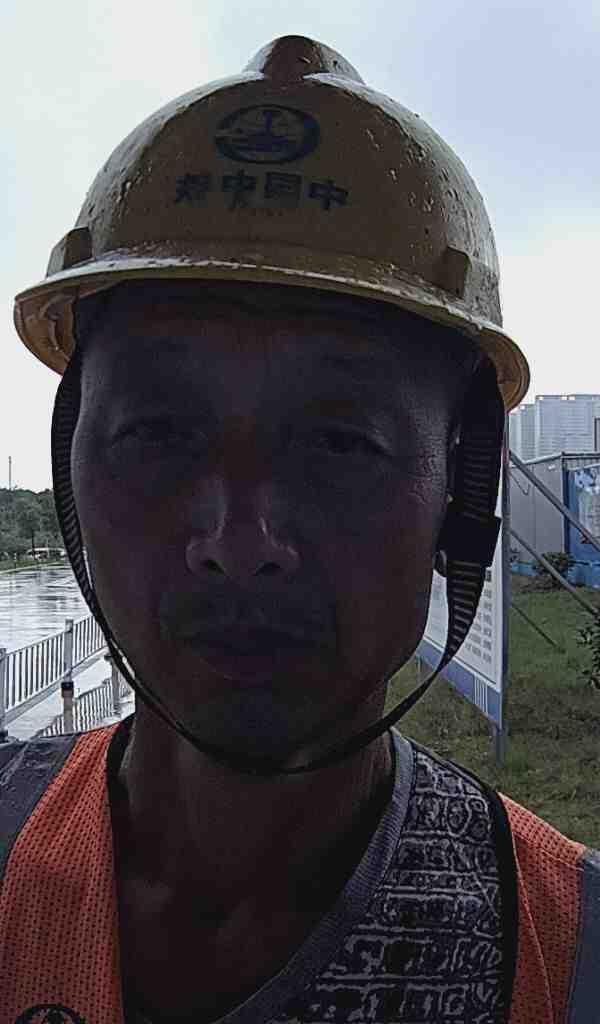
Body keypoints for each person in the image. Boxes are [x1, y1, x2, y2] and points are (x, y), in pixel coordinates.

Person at [1, 35, 598, 1024]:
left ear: (460, 492)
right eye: (158, 432)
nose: (240, 539)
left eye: (339, 442)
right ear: (73, 461)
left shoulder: (568, 953)